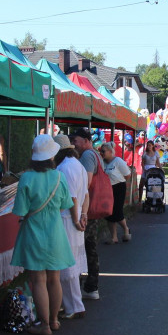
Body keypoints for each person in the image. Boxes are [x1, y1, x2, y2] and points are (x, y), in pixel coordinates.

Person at [10, 134, 78, 335]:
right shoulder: (60, 177)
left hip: (33, 232)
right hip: (55, 232)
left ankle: (45, 325)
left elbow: (20, 210)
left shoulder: (26, 178)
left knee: (38, 280)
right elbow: (66, 204)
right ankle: (55, 320)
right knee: (54, 279)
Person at [54, 135, 88, 320]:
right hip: (74, 218)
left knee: (66, 265)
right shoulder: (77, 164)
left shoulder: (65, 167)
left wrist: (76, 219)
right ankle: (73, 303)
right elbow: (85, 195)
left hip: (68, 218)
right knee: (71, 264)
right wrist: (83, 215)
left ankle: (73, 306)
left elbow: (72, 197)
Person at [71, 128, 102, 300]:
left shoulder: (87, 156)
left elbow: (85, 184)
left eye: (76, 140)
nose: (74, 144)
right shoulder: (95, 154)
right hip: (91, 208)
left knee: (85, 247)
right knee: (90, 247)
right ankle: (91, 286)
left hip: (87, 209)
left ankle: (89, 286)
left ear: (85, 140)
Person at [101, 142, 132, 244]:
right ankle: (114, 237)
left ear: (110, 152)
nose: (102, 153)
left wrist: (118, 180)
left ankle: (126, 229)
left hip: (118, 187)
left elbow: (127, 175)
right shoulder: (102, 162)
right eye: (101, 151)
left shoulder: (118, 161)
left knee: (117, 211)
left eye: (103, 151)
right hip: (107, 188)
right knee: (109, 213)